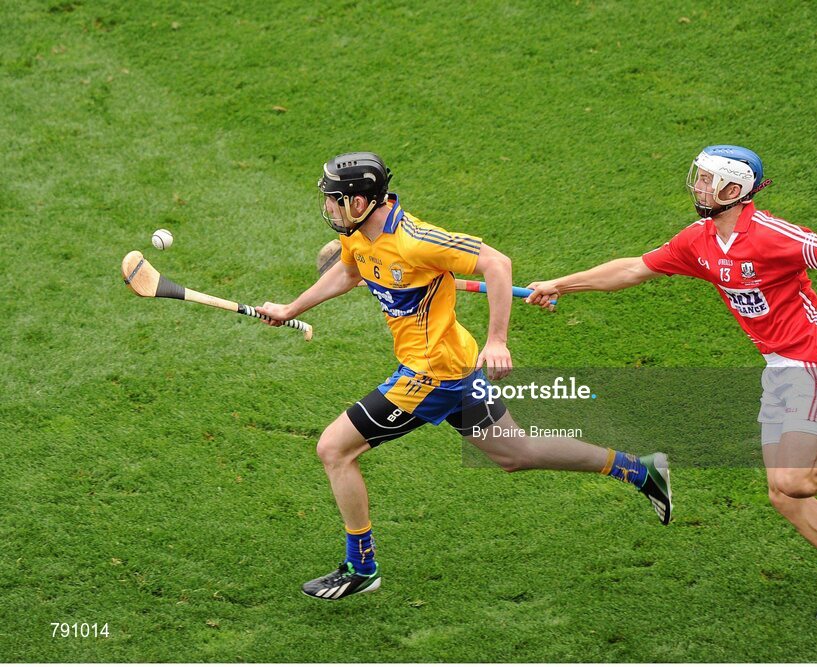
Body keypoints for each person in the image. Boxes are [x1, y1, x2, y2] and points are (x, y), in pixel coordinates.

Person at [525, 145, 817, 623]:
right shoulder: (699, 240)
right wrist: (560, 283)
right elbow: (632, 268)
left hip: (813, 365)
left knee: (794, 480)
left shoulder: (768, 234)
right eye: (699, 177)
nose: (699, 187)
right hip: (779, 372)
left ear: (736, 190)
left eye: (710, 180)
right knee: (784, 495)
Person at [256, 152, 672, 601]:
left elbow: (498, 263)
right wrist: (291, 309)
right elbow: (348, 271)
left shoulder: (416, 240)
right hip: (455, 362)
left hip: (432, 375)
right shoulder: (359, 236)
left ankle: (361, 566)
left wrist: (498, 340)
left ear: (361, 201)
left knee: (334, 449)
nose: (331, 209)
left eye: (336, 201)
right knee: (516, 453)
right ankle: (640, 470)